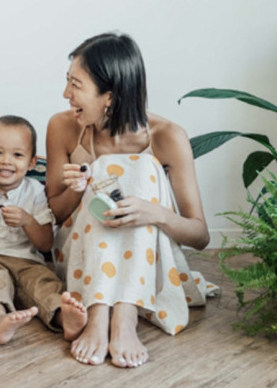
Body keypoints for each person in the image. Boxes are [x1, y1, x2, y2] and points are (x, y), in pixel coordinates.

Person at [46, 32, 218, 368]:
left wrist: (154, 213)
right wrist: (79, 188)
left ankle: (123, 317)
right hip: (82, 256)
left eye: (75, 85)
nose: (66, 94)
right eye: (68, 82)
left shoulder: (168, 137)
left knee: (144, 168)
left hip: (145, 260)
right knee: (103, 169)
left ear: (109, 96)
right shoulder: (62, 127)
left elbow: (200, 236)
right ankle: (98, 314)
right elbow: (56, 213)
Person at [0, 115, 87, 345]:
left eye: (17, 155)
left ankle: (64, 319)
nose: (6, 161)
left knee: (43, 284)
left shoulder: (36, 192)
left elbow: (45, 244)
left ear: (31, 163)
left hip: (27, 262)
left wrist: (27, 221)